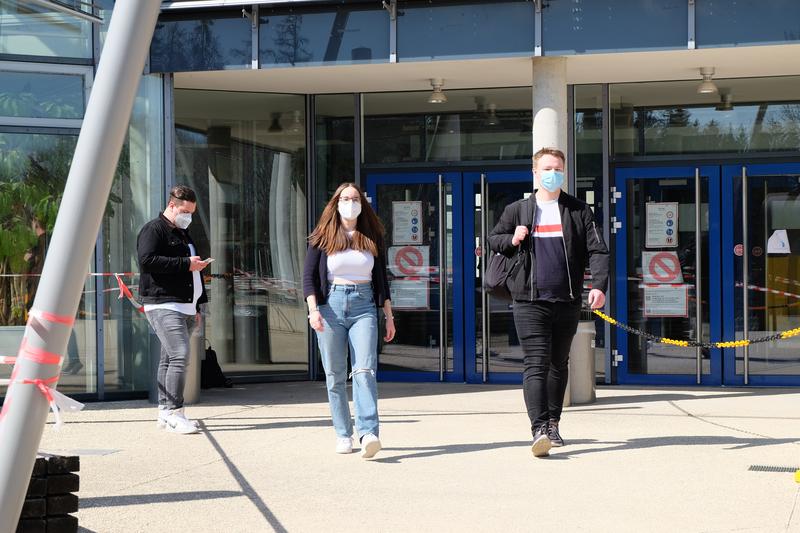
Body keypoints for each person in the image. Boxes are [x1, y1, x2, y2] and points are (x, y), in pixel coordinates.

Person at [489, 147, 609, 458]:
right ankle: (538, 428)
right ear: (535, 173)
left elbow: (598, 251)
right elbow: (493, 240)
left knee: (558, 363)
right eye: (546, 168)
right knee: (536, 363)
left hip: (567, 300)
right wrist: (513, 238)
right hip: (529, 300)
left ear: (564, 172)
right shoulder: (518, 210)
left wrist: (598, 286)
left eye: (557, 168)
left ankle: (553, 423)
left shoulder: (579, 210)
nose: (552, 173)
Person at [303, 182, 395, 458]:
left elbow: (381, 281)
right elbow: (308, 278)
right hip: (330, 306)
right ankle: (343, 434)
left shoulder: (371, 235)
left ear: (362, 204)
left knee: (364, 370)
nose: (350, 202)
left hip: (364, 305)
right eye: (345, 198)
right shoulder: (323, 235)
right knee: (334, 375)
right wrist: (313, 310)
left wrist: (388, 316)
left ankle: (369, 432)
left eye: (355, 198)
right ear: (336, 203)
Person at [137, 185, 210, 435]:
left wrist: (197, 306)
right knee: (179, 355)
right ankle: (175, 412)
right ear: (172, 205)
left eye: (191, 212)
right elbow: (146, 261)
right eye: (184, 211)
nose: (188, 216)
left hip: (187, 305)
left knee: (169, 358)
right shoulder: (153, 229)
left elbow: (192, 271)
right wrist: (185, 264)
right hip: (163, 303)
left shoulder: (183, 234)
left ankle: (164, 411)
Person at [25, 217, 82, 375]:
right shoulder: (46, 242)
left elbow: (40, 266)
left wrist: (30, 259)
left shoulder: (43, 243)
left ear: (36, 224)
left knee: (51, 325)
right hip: (48, 288)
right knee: (57, 326)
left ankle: (42, 360)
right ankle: (71, 361)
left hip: (45, 289)